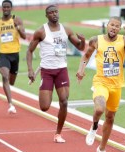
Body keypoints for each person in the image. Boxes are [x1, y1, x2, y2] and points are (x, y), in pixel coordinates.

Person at [76, 17, 125, 152]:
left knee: (110, 118)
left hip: (116, 85)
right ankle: (94, 127)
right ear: (107, 26)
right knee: (99, 108)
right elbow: (86, 56)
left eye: (117, 26)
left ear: (120, 28)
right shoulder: (95, 40)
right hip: (101, 82)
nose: (114, 28)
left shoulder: (124, 40)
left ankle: (102, 150)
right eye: (112, 25)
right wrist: (81, 70)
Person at [26, 5, 85, 143]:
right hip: (47, 71)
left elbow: (80, 47)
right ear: (46, 16)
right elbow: (29, 51)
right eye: (51, 13)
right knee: (44, 107)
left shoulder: (66, 30)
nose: (54, 14)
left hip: (61, 70)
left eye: (56, 12)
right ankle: (46, 91)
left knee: (64, 101)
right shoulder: (41, 31)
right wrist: (30, 69)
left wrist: (82, 40)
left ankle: (58, 133)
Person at [0, 0, 26, 114]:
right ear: (2, 8)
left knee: (11, 82)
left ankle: (9, 88)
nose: (6, 9)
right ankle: (11, 104)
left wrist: (18, 27)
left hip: (15, 54)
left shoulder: (17, 19)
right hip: (4, 54)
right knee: (5, 76)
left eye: (8, 7)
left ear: (11, 8)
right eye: (4, 7)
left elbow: (24, 36)